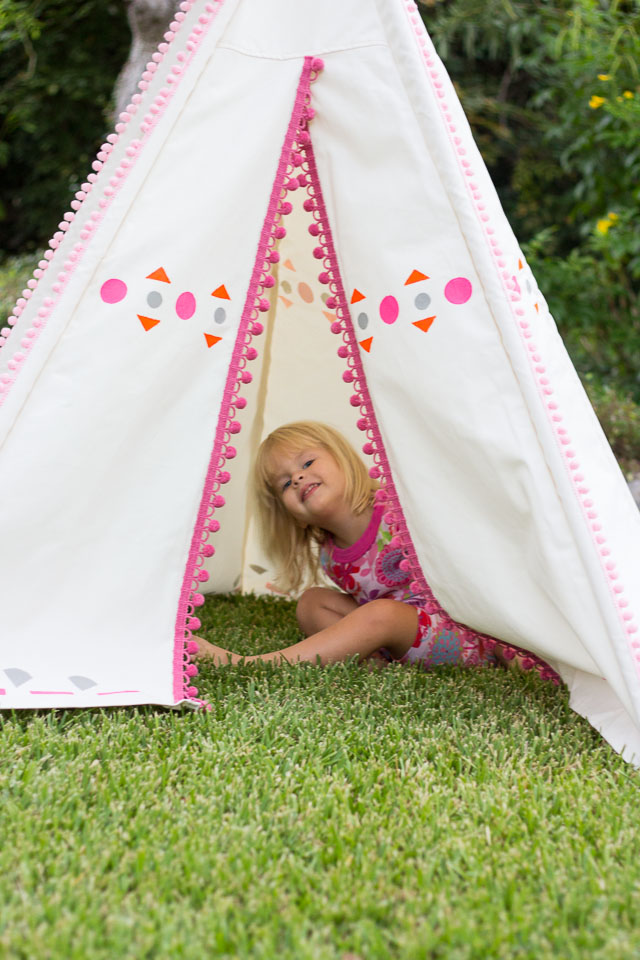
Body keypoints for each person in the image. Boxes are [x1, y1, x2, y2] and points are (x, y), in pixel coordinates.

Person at [194, 421, 499, 670]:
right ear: (292, 517)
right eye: (285, 483)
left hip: (461, 639)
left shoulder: (398, 510)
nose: (298, 477)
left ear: (343, 459)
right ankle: (373, 664)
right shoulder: (329, 554)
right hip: (398, 636)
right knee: (312, 602)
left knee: (382, 614)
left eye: (308, 462)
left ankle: (256, 665)